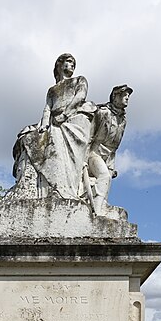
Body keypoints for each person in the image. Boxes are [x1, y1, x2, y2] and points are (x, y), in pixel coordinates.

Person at [13, 53, 96, 199]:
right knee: (28, 137)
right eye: (69, 62)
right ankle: (31, 187)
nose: (72, 66)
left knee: (56, 144)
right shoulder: (52, 90)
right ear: (60, 64)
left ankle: (61, 190)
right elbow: (47, 108)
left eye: (73, 63)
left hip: (72, 121)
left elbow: (80, 97)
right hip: (54, 121)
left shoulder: (79, 80)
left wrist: (64, 115)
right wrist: (44, 125)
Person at [85, 84, 133, 215]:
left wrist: (111, 165)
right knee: (104, 176)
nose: (127, 98)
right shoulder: (103, 113)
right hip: (94, 152)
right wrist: (84, 159)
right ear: (115, 97)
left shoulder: (123, 120)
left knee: (107, 181)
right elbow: (89, 136)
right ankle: (97, 211)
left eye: (128, 95)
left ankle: (101, 204)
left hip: (109, 156)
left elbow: (115, 146)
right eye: (124, 95)